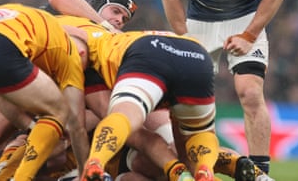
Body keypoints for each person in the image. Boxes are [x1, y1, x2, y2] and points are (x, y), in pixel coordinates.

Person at [161, 0, 285, 179]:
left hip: (244, 18)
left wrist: (249, 35)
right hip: (199, 23)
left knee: (250, 93)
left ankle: (259, 173)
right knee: (185, 103)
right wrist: (184, 37)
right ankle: (190, 168)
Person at [0, 0, 137, 180]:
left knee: (2, 135)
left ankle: (1, 168)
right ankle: (10, 173)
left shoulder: (72, 26)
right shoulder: (91, 27)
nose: (118, 20)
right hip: (11, 62)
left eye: (124, 19)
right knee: (57, 125)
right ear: (97, 4)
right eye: (116, 11)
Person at [61, 21, 220, 181]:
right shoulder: (104, 33)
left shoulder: (88, 50)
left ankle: (95, 163)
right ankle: (206, 168)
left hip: (147, 52)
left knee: (124, 117)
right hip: (196, 54)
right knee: (200, 133)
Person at [0, 3, 90, 180]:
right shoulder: (71, 54)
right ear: (82, 53)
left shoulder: (33, 20)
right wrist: (85, 172)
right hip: (3, 49)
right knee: (59, 112)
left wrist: (31, 127)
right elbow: (77, 126)